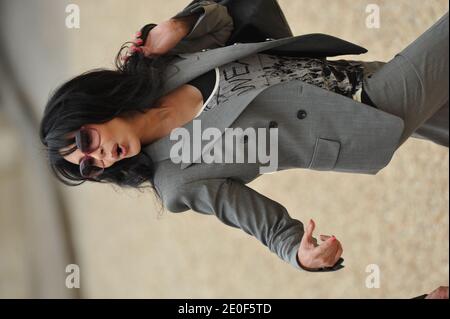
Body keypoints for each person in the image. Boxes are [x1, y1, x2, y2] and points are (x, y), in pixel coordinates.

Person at [39, 1, 448, 296]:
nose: (101, 157)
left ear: (93, 108)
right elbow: (261, 224)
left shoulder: (160, 67)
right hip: (364, 114)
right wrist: (300, 255)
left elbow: (226, 19)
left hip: (354, 74)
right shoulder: (177, 180)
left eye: (88, 141)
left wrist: (179, 26)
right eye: (89, 166)